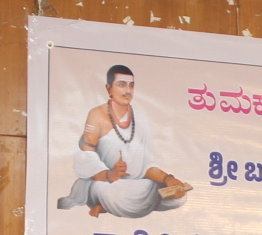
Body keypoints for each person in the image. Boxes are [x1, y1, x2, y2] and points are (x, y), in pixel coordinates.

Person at [55, 63, 191, 218]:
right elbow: (85, 155)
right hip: (105, 182)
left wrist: (168, 179)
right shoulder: (97, 115)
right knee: (112, 193)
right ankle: (108, 203)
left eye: (131, 86)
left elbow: (147, 165)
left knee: (178, 197)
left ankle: (106, 206)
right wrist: (109, 174)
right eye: (121, 85)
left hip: (136, 184)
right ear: (109, 88)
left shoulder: (140, 118)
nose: (128, 91)